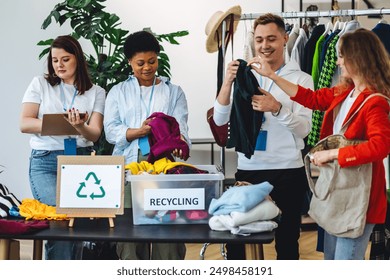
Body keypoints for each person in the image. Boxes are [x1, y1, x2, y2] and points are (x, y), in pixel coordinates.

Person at [248, 28, 390, 260]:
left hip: (359, 199)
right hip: (341, 192)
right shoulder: (346, 92)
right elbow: (311, 98)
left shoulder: (374, 102)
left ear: (359, 58)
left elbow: (381, 146)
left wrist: (334, 154)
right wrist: (273, 75)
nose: (338, 61)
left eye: (343, 56)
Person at [213, 13, 314, 259]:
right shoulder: (246, 75)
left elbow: (305, 130)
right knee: (236, 238)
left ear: (285, 39)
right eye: (259, 40)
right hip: (250, 169)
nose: (265, 45)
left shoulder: (302, 79)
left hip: (288, 171)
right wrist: (227, 82)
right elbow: (219, 120)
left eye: (271, 39)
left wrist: (277, 109)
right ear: (253, 42)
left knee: (288, 241)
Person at [103, 30, 190, 260]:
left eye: (152, 61)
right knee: (130, 229)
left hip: (164, 166)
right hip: (129, 165)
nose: (147, 68)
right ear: (129, 61)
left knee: (167, 227)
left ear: (158, 57)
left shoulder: (174, 92)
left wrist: (180, 143)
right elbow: (111, 131)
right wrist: (137, 132)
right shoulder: (118, 92)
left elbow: (181, 127)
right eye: (140, 63)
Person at [20, 35, 106, 259]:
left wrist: (79, 126)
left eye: (65, 59)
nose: (59, 65)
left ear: (78, 59)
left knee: (76, 222)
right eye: (55, 60)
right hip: (46, 160)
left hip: (80, 161)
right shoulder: (40, 83)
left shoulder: (96, 92)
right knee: (61, 217)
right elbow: (25, 123)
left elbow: (94, 134)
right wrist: (59, 123)